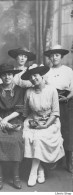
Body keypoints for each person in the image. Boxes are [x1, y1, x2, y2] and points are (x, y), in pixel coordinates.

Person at [21, 65, 65, 187]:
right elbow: (25, 112)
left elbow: (55, 113)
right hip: (33, 119)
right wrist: (28, 122)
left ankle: (33, 172)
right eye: (30, 77)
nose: (33, 78)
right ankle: (40, 169)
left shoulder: (52, 90)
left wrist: (45, 125)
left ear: (41, 76)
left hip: (50, 122)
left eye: (35, 75)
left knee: (39, 138)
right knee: (26, 137)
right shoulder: (28, 92)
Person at [0, 63, 24, 190]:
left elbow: (19, 110)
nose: (7, 77)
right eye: (4, 75)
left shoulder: (19, 90)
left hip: (14, 119)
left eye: (9, 74)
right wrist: (2, 121)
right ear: (1, 77)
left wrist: (7, 121)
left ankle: (16, 176)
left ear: (13, 75)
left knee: (16, 139)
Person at [44, 45, 73, 173]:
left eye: (57, 55)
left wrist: (67, 98)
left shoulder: (68, 70)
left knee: (67, 130)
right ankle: (54, 159)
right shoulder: (46, 72)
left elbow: (72, 88)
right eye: (52, 55)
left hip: (66, 101)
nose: (54, 57)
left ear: (61, 56)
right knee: (52, 130)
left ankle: (69, 161)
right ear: (49, 57)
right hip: (51, 102)